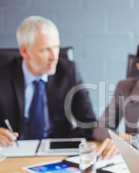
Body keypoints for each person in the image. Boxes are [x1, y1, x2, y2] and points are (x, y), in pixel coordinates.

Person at [0, 16, 96, 147]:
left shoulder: (68, 71)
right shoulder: (3, 75)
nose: (54, 56)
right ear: (24, 51)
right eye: (45, 49)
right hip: (12, 149)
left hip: (54, 151)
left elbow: (89, 122)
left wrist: (64, 145)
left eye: (56, 47)